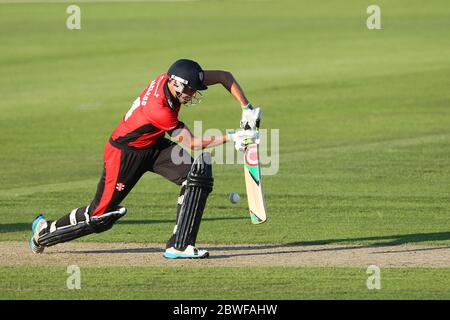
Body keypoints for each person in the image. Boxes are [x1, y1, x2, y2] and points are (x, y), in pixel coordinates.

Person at [29, 59, 261, 259]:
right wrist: (233, 137)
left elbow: (223, 76)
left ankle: (179, 246)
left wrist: (246, 108)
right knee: (99, 215)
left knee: (195, 175)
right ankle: (44, 231)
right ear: (176, 83)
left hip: (153, 144)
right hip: (124, 153)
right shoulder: (159, 109)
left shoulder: (173, 79)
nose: (193, 94)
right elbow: (191, 142)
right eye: (190, 90)